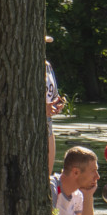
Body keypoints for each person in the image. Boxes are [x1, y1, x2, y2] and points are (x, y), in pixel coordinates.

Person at [45, 35, 66, 172]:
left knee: (46, 177)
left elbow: (53, 95)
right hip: (28, 126)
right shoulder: (22, 67)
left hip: (47, 125)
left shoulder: (47, 66)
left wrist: (59, 103)